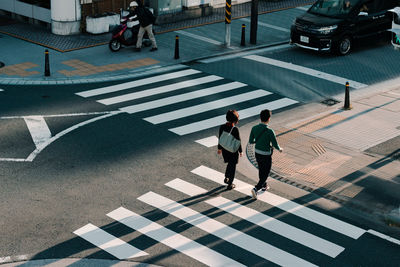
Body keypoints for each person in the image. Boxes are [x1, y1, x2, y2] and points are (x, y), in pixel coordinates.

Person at [248, 109, 282, 200]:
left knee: (261, 169)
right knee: (266, 172)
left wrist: (258, 141)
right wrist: (280, 149)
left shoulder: (254, 128)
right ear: (269, 118)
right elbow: (275, 144)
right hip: (266, 154)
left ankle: (264, 185)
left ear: (260, 117)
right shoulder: (270, 131)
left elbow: (251, 141)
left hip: (257, 152)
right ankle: (256, 188)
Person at [218, 110, 243, 190]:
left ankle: (226, 177)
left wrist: (219, 148)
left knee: (229, 163)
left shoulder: (222, 127)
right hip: (233, 151)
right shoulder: (235, 129)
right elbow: (238, 141)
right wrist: (241, 151)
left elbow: (220, 138)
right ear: (236, 120)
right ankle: (230, 183)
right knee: (233, 166)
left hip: (225, 149)